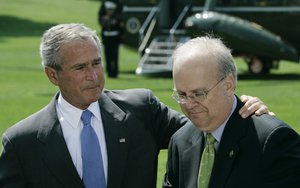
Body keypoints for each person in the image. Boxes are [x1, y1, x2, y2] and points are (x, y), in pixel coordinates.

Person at [0, 24, 269, 188]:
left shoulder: (142, 109)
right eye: (80, 68)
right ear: (52, 75)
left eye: (96, 63)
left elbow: (206, 125)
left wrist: (238, 107)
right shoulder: (21, 142)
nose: (94, 76)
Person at [163, 36, 300, 188]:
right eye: (182, 95)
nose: (189, 104)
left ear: (228, 85)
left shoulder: (273, 140)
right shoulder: (180, 142)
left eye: (199, 94)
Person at [98, 0, 123, 78]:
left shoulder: (118, 4)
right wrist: (105, 19)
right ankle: (109, 72)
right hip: (106, 36)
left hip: (115, 36)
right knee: (107, 55)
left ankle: (115, 72)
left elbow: (121, 18)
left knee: (115, 55)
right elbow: (100, 18)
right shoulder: (104, 4)